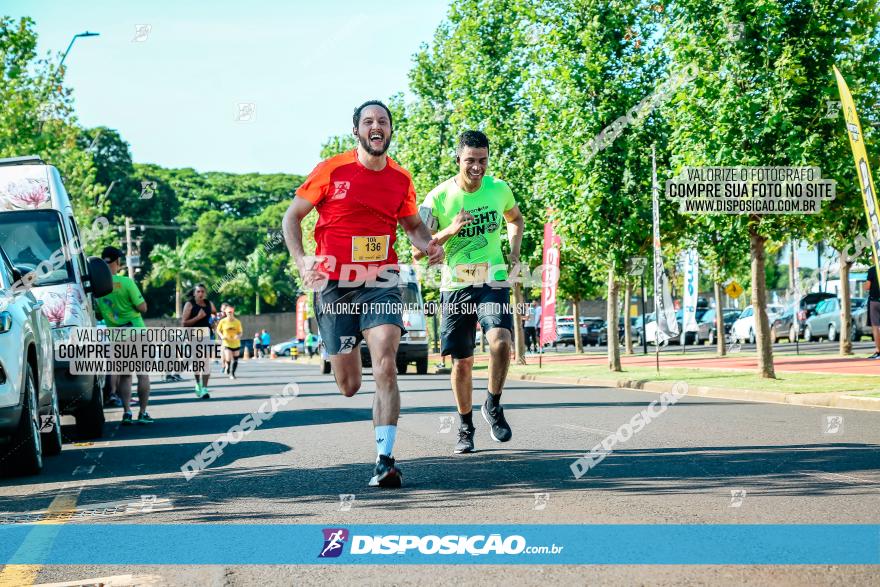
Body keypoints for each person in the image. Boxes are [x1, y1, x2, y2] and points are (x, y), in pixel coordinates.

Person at [282, 99, 443, 488]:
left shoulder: (401, 179)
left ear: (390, 130)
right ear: (356, 130)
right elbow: (292, 217)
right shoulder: (331, 170)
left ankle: (385, 460)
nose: (376, 126)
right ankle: (338, 352)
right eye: (368, 121)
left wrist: (430, 244)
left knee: (386, 359)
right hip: (332, 283)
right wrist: (302, 259)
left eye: (383, 121)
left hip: (381, 278)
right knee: (350, 385)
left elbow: (413, 228)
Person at [414, 130, 524, 455]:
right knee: (462, 363)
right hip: (456, 286)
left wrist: (514, 253)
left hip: (492, 278)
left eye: (482, 160)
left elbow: (515, 218)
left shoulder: (499, 189)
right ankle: (465, 425)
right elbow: (418, 250)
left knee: (501, 342)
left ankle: (492, 403)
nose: (477, 167)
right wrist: (450, 230)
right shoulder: (436, 199)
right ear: (458, 160)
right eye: (470, 161)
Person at [94, 246, 154, 425]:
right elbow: (142, 307)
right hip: (136, 331)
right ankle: (142, 413)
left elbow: (98, 314)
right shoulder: (126, 282)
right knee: (142, 374)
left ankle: (127, 412)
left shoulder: (99, 289)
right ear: (118, 262)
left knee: (125, 375)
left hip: (116, 336)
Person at [181, 284, 217, 398]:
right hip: (193, 335)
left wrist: (214, 322)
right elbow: (184, 323)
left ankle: (205, 389)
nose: (201, 294)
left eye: (202, 291)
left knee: (205, 361)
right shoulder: (189, 304)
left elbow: (215, 314)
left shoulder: (209, 304)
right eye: (198, 292)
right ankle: (198, 384)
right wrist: (198, 317)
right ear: (194, 293)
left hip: (206, 334)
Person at [216, 304, 243, 379]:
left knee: (235, 359)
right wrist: (221, 336)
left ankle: (232, 373)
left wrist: (238, 336)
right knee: (228, 358)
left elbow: (240, 332)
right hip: (227, 343)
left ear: (233, 312)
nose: (229, 314)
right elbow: (218, 330)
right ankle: (227, 366)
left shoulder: (237, 322)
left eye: (231, 312)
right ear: (226, 313)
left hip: (236, 343)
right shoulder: (223, 321)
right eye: (228, 313)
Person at [865, 264, 880, 359]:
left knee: (876, 326)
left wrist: (864, 285)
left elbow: (867, 286)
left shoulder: (872, 270)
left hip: (875, 301)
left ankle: (878, 351)